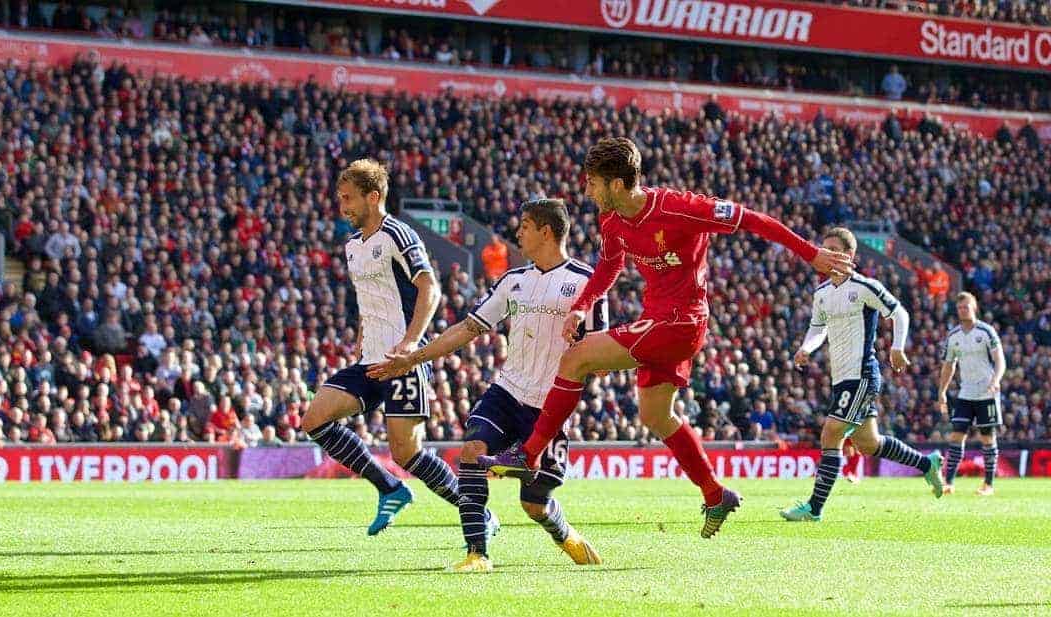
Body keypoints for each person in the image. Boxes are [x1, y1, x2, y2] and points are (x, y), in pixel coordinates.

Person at [481, 137, 853, 538]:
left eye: (593, 183)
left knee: (576, 358)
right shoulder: (612, 220)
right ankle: (715, 493)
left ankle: (530, 452)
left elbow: (752, 219)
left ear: (618, 184)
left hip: (682, 322)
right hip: (657, 320)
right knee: (656, 416)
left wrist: (811, 253)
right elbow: (608, 267)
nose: (587, 191)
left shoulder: (681, 208)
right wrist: (582, 305)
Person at [370, 199, 604, 572]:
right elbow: (468, 328)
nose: (518, 233)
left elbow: (599, 347)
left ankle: (565, 534)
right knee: (472, 451)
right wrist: (414, 357)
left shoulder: (585, 282)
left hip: (549, 404)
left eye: (525, 225)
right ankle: (477, 553)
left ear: (546, 231)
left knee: (534, 504)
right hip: (508, 391)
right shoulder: (513, 281)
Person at [300, 159, 466, 536]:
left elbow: (430, 288)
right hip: (369, 361)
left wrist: (410, 344)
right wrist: (362, 333)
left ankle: (474, 511)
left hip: (402, 361)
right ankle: (389, 487)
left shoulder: (399, 234)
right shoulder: (353, 245)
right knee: (314, 419)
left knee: (406, 453)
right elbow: (371, 295)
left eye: (348, 199)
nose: (343, 207)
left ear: (373, 197)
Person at [781, 228, 944, 522]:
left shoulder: (865, 286)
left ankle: (814, 508)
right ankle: (926, 463)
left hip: (862, 374)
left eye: (833, 248)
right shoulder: (822, 294)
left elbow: (899, 313)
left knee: (831, 432)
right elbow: (818, 329)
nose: (827, 253)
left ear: (848, 255)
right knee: (868, 443)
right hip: (840, 376)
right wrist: (806, 348)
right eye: (824, 248)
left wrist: (897, 347)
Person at [937, 292, 1006, 496]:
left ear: (974, 307)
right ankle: (948, 482)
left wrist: (996, 380)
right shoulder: (954, 336)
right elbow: (948, 366)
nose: (962, 310)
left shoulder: (986, 331)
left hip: (986, 392)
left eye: (966, 306)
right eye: (959, 308)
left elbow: (1000, 360)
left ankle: (988, 484)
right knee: (957, 435)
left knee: (987, 437)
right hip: (966, 393)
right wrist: (942, 391)